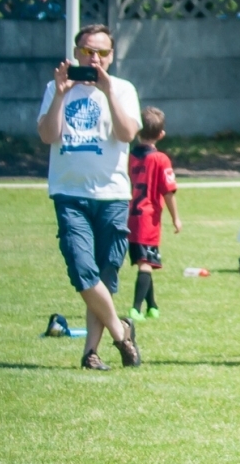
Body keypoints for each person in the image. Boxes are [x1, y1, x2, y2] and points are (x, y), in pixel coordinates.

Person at [37, 23, 142, 370]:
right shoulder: (57, 89)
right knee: (83, 269)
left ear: (111, 56)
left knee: (105, 275)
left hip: (112, 194)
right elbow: (48, 134)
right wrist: (58, 93)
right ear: (75, 52)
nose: (93, 58)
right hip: (70, 192)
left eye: (101, 52)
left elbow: (127, 133)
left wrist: (108, 91)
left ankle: (90, 353)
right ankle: (121, 331)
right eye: (86, 51)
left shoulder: (123, 89)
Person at [126, 106, 180, 324]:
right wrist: (176, 217)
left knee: (144, 261)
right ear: (161, 134)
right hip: (148, 219)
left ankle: (152, 306)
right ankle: (136, 309)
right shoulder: (161, 159)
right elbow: (168, 191)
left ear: (138, 131)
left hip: (129, 216)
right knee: (145, 264)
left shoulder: (128, 156)